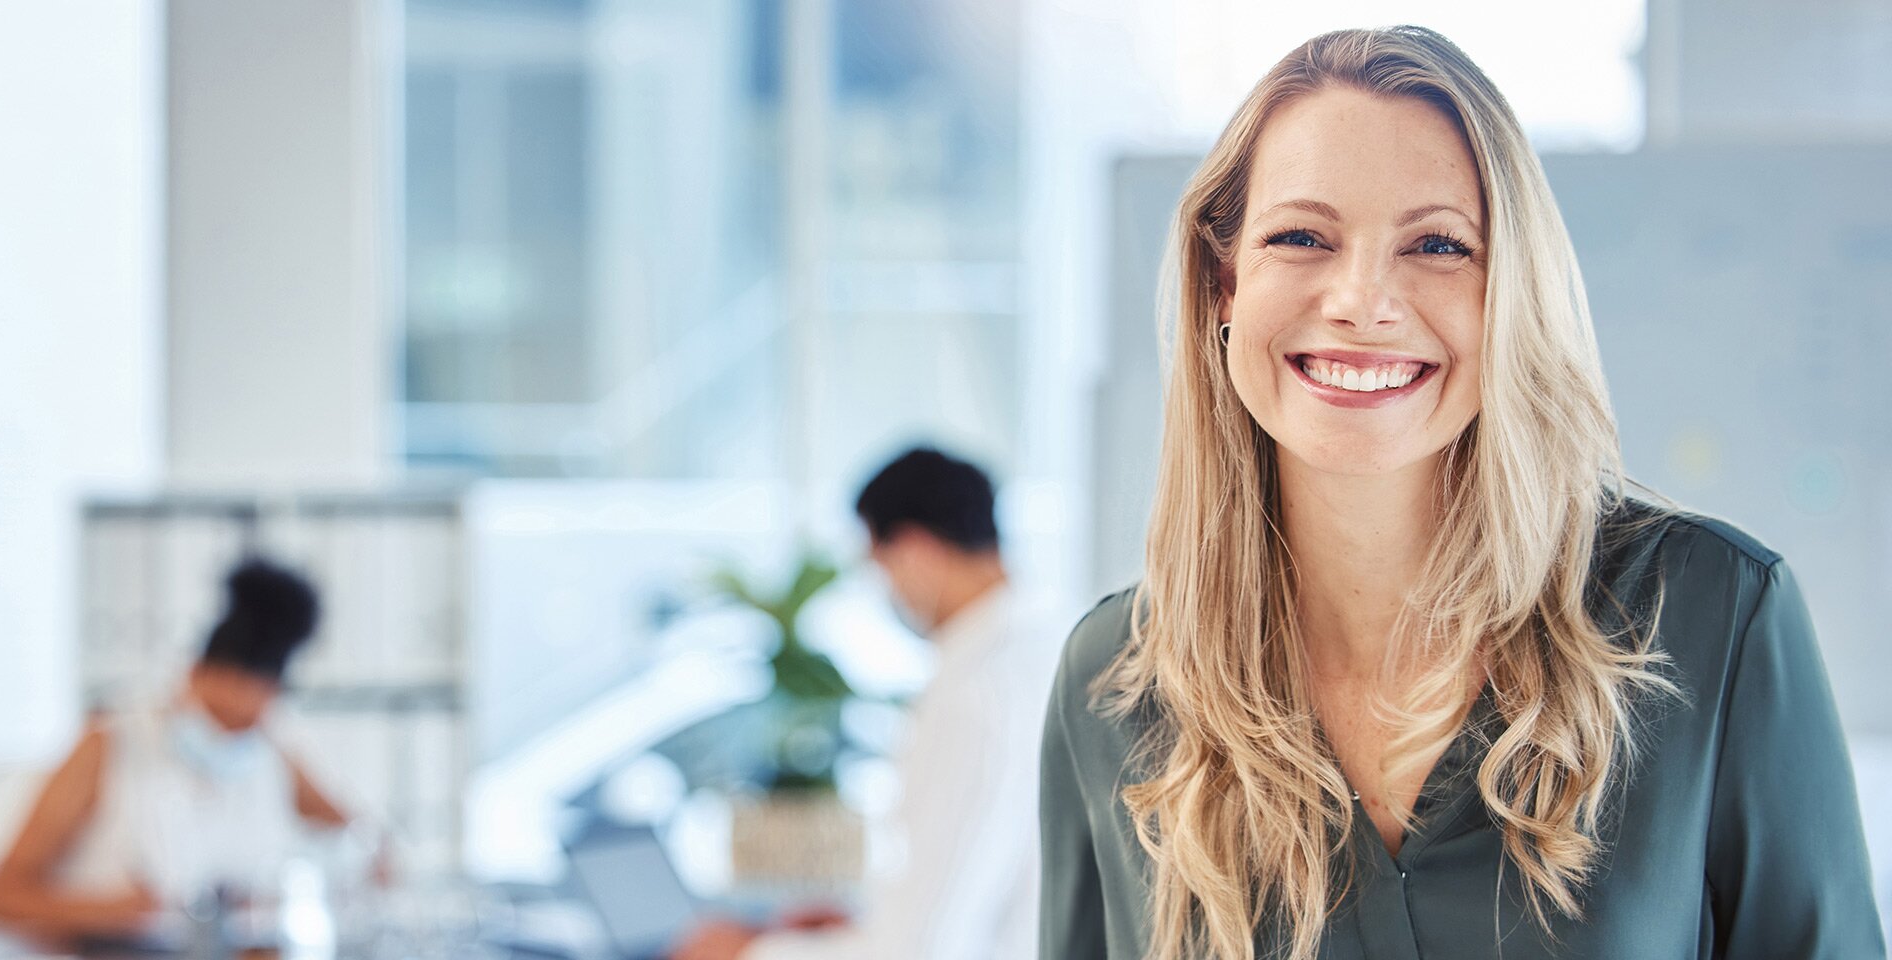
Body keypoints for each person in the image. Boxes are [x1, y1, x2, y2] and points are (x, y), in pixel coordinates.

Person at [1039, 25, 1884, 960]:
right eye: (1302, 236)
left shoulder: (1714, 616)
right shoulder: (1113, 683)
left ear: (1510, 292)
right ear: (1222, 283)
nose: (1363, 299)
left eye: (1439, 245)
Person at [673, 446, 1065, 960]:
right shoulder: (1051, 651)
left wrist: (753, 951)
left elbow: (926, 947)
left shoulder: (976, 694)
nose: (889, 592)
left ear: (916, 550)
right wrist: (856, 924)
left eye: (882, 568)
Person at [0, 557, 379, 948]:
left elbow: (362, 836)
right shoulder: (110, 742)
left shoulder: (272, 752)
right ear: (191, 674)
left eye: (244, 724)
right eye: (217, 713)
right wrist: (111, 912)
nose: (228, 734)